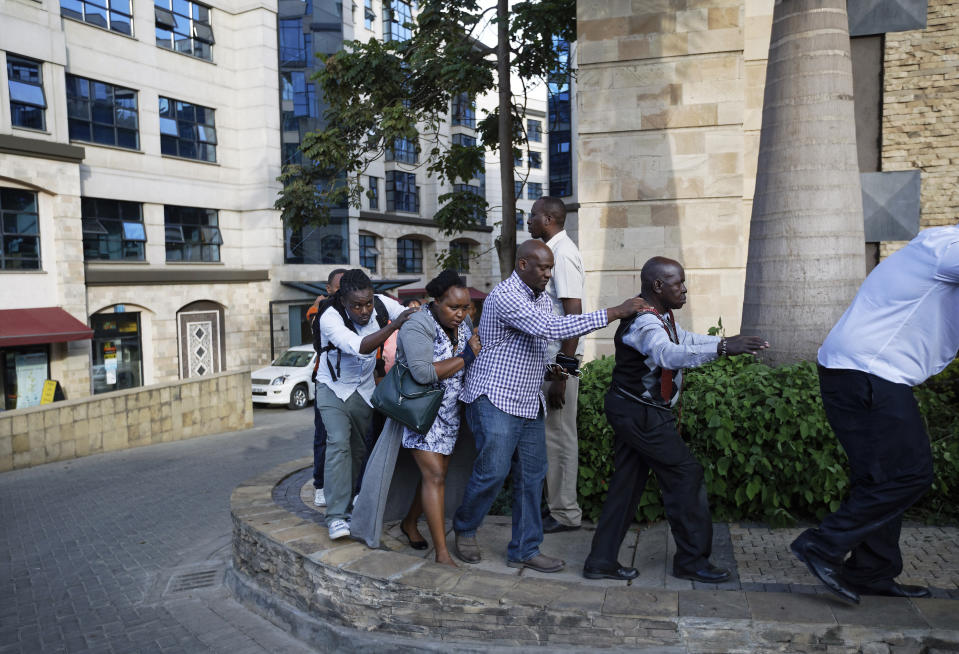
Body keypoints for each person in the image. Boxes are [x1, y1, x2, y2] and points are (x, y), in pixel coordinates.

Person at [452, 240, 649, 573]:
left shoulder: (541, 299)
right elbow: (550, 328)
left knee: (532, 477)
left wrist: (553, 369)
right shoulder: (505, 296)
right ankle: (465, 528)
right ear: (523, 265)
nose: (548, 274)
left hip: (529, 399)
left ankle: (525, 549)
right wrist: (615, 312)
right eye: (542, 267)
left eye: (550, 268)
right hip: (494, 396)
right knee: (494, 472)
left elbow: (537, 343)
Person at [790, 225, 958, 604]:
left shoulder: (937, 251)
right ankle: (822, 545)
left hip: (857, 371)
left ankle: (871, 570)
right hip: (869, 371)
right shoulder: (948, 248)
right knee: (910, 473)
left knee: (880, 477)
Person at [584, 257, 768, 582]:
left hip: (633, 410)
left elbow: (685, 340)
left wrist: (728, 342)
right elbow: (667, 354)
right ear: (658, 286)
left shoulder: (661, 314)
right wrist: (725, 347)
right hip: (640, 414)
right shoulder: (645, 322)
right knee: (686, 473)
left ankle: (600, 561)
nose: (684, 290)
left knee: (627, 485)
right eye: (678, 283)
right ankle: (692, 561)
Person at [351, 271, 480, 566]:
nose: (461, 314)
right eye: (454, 307)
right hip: (420, 412)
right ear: (436, 301)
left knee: (438, 477)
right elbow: (423, 373)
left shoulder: (464, 323)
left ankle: (410, 522)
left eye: (465, 307)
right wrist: (468, 357)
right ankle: (442, 554)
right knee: (434, 476)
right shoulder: (417, 324)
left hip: (450, 411)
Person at [315, 269, 416, 540]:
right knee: (338, 443)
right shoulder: (330, 317)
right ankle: (336, 516)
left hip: (363, 390)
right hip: (332, 388)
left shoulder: (381, 303)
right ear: (344, 302)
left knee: (358, 450)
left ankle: (350, 504)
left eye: (368, 303)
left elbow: (408, 314)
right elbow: (360, 346)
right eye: (357, 305)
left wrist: (423, 312)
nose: (364, 310)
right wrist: (394, 326)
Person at [529, 196, 585, 534]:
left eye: (533, 215)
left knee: (561, 438)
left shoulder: (562, 255)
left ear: (548, 218)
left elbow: (573, 314)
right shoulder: (553, 251)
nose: (529, 219)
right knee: (551, 438)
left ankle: (565, 513)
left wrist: (563, 371)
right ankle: (556, 508)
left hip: (558, 367)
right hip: (549, 364)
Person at [307, 268, 346, 507]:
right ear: (328, 289)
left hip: (355, 384)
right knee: (323, 437)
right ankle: (320, 484)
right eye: (338, 288)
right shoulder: (320, 310)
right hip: (327, 383)